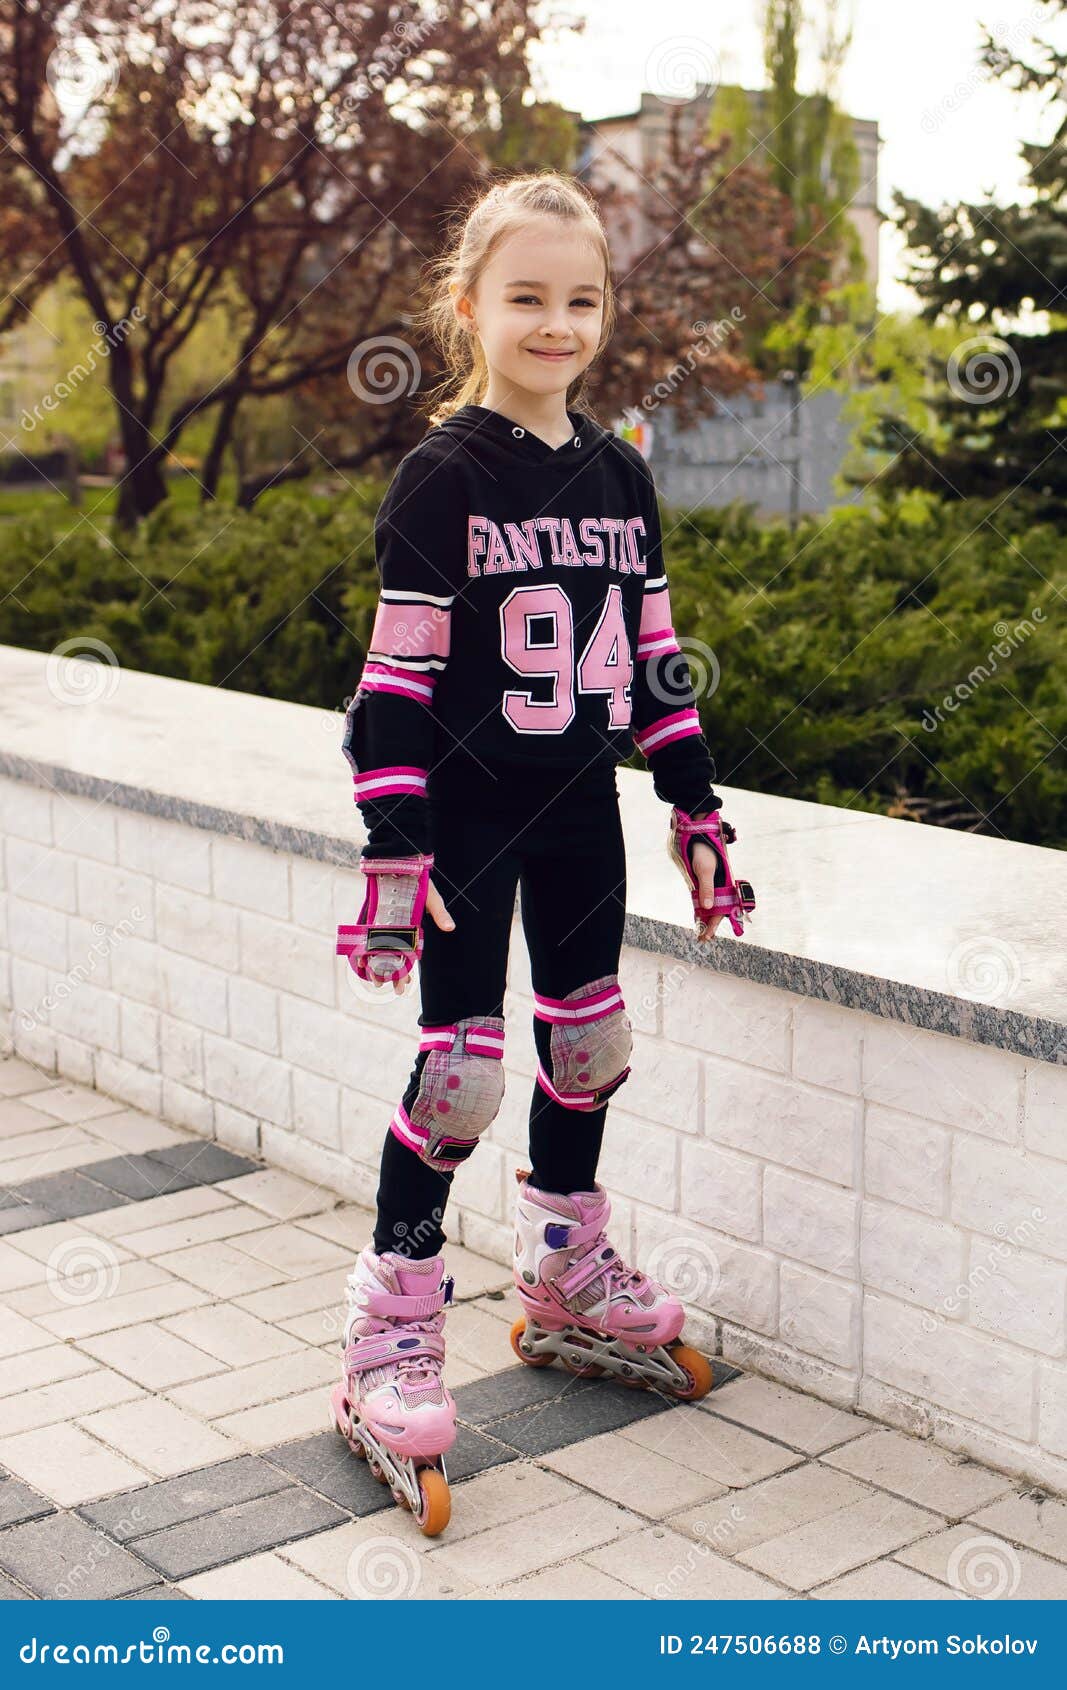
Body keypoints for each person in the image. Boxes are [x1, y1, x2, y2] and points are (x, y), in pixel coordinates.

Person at [330, 171, 753, 1534]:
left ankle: (564, 1268)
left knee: (592, 1046)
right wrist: (395, 843)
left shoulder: (621, 472)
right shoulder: (442, 476)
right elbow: (389, 689)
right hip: (464, 820)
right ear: (470, 307)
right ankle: (389, 1328)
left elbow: (652, 659)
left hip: (580, 809)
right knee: (458, 1075)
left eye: (581, 298)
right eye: (527, 297)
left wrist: (694, 808)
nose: (557, 322)